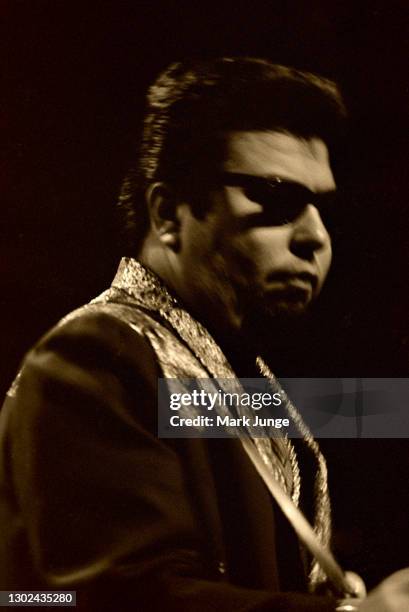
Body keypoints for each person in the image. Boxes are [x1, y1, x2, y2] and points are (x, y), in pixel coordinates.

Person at [0, 57, 406, 611]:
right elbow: (111, 599)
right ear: (169, 214)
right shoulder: (97, 357)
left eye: (321, 207)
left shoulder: (228, 373)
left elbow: (377, 410)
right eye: (278, 199)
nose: (316, 236)